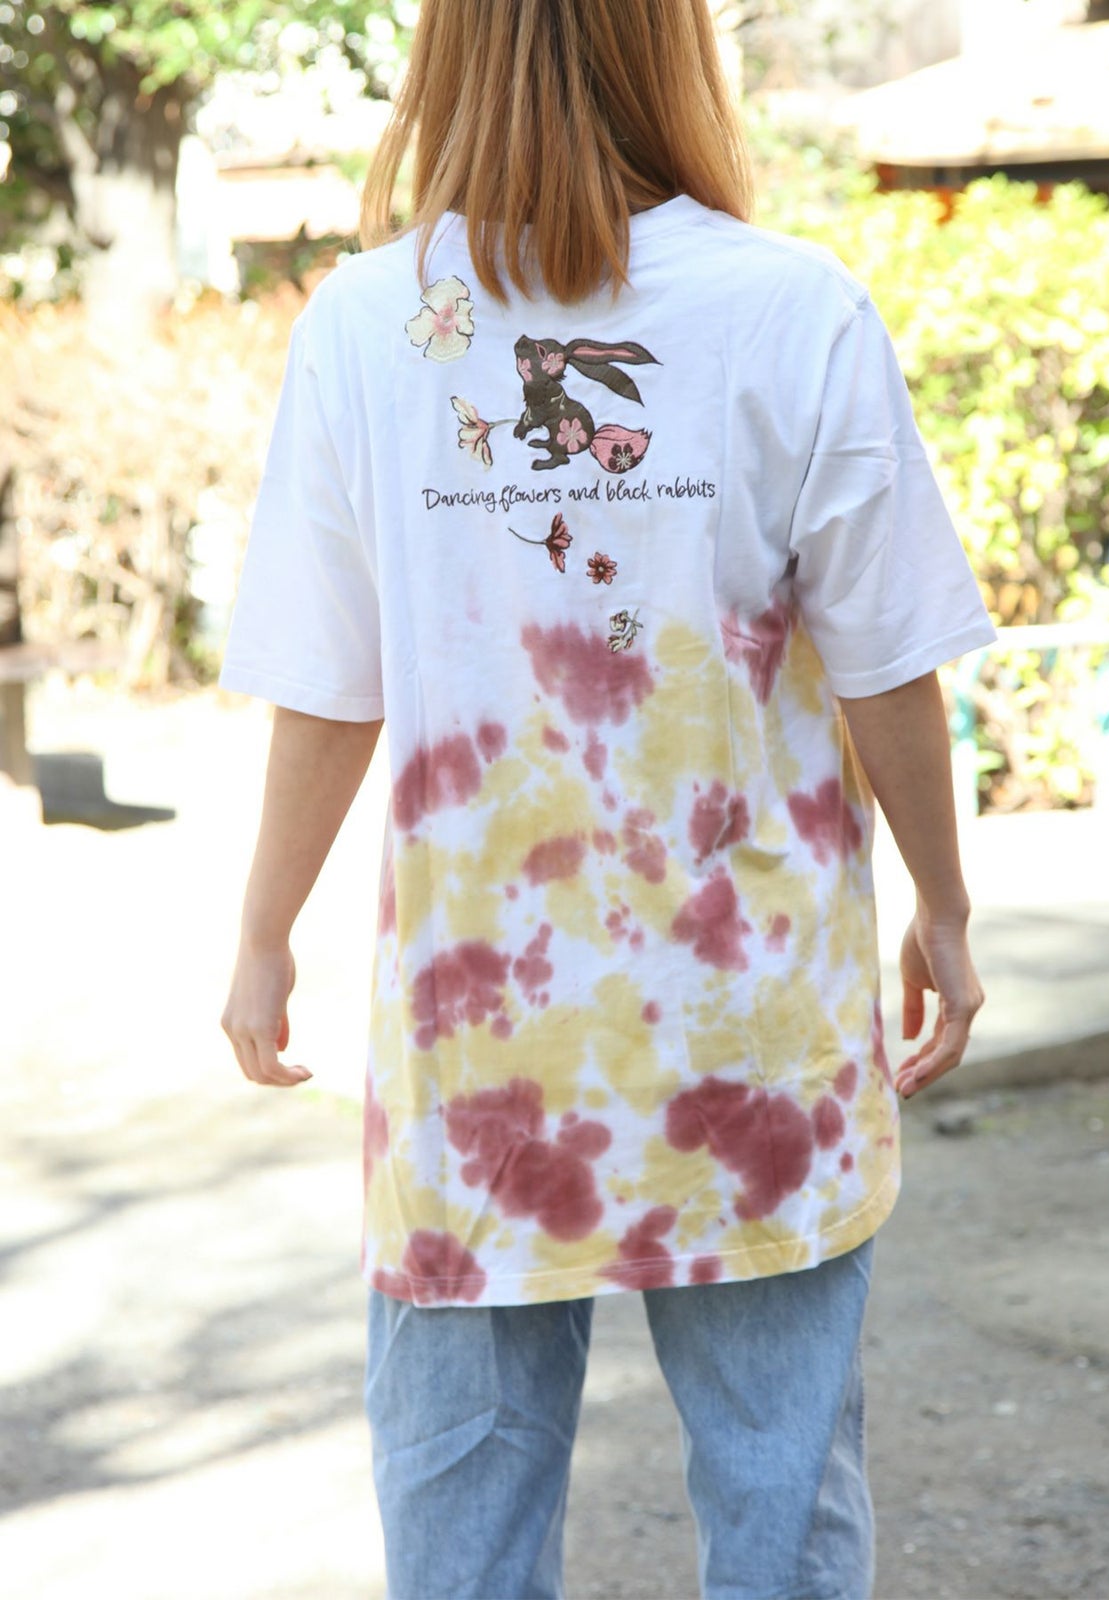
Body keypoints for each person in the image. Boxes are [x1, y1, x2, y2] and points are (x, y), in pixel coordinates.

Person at [219, 3, 994, 1595]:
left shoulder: (369, 324)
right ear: (670, 45)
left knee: (462, 1527)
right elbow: (886, 663)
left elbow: (328, 683)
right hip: (750, 1036)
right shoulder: (794, 308)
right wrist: (947, 910)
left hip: (478, 1055)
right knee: (782, 1507)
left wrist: (263, 934)